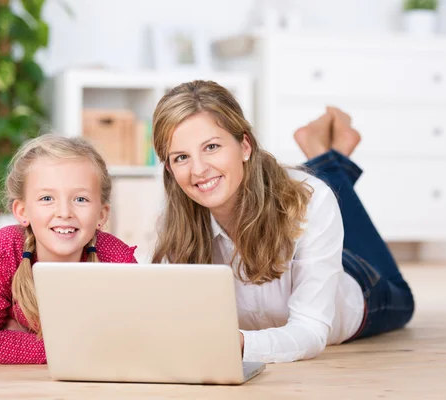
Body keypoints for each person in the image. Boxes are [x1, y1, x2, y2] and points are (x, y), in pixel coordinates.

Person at [151, 80, 415, 363]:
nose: (199, 170)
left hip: (356, 288)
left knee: (403, 297)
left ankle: (325, 156)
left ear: (245, 146)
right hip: (306, 243)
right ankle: (330, 153)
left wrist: (236, 344)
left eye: (212, 147)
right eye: (181, 157)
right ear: (169, 168)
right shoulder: (178, 224)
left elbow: (310, 332)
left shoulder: (312, 200)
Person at [0, 135, 137, 364]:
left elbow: (133, 339)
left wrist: (18, 339)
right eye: (47, 198)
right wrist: (75, 348)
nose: (64, 212)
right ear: (22, 211)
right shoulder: (5, 250)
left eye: (80, 199)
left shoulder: (116, 258)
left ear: (101, 215)